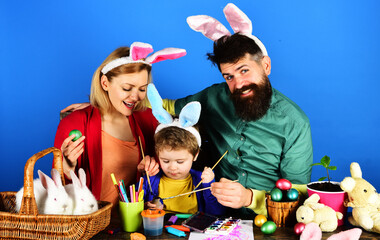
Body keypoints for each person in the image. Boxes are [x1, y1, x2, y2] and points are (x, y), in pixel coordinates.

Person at [61, 4, 313, 218]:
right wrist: (105, 102)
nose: (237, 84)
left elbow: (299, 194)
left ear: (266, 65)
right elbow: (165, 106)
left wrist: (250, 198)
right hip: (209, 217)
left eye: (244, 71)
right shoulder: (214, 97)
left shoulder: (295, 123)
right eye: (228, 76)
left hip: (267, 221)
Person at [54, 42, 186, 211]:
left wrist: (153, 168)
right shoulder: (76, 123)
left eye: (142, 89)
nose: (135, 96)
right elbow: (57, 193)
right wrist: (68, 166)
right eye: (126, 88)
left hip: (137, 225)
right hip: (92, 227)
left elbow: (179, 154)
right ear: (105, 83)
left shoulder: (148, 119)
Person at [142, 84, 225, 215]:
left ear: (195, 155)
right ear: (157, 154)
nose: (173, 167)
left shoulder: (200, 180)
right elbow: (135, 204)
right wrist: (146, 206)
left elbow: (216, 213)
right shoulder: (151, 180)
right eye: (165, 161)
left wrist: (209, 186)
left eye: (180, 162)